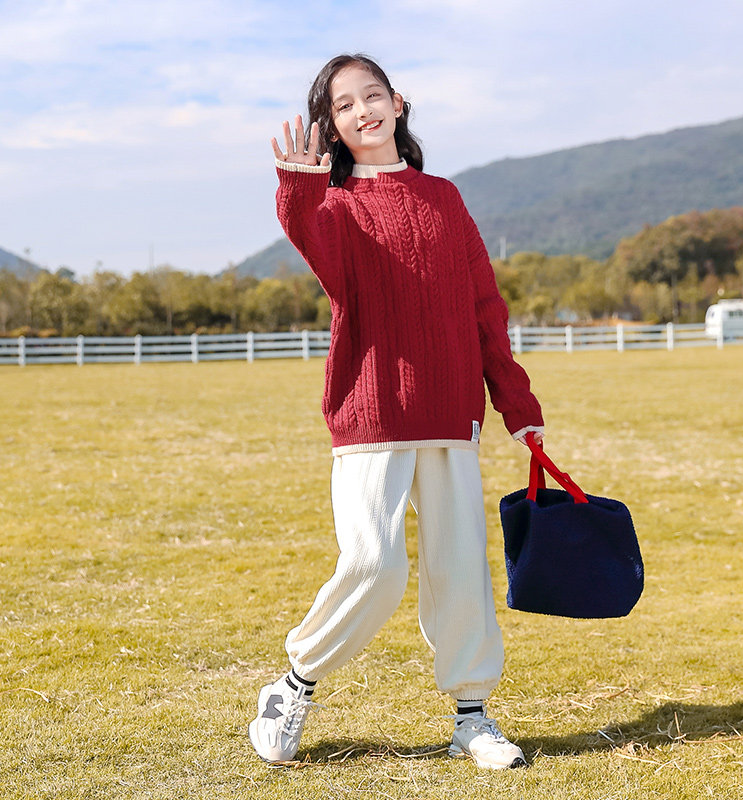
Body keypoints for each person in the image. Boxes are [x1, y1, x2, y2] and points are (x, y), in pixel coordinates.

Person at [249, 53, 544, 770]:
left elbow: (484, 306)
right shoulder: (336, 207)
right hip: (371, 410)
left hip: (450, 410)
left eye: (372, 95)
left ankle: (472, 717)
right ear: (332, 127)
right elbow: (308, 232)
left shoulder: (444, 198)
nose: (363, 111)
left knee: (461, 572)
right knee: (374, 565)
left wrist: (516, 400)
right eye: (344, 105)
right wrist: (298, 184)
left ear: (398, 102)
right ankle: (294, 684)